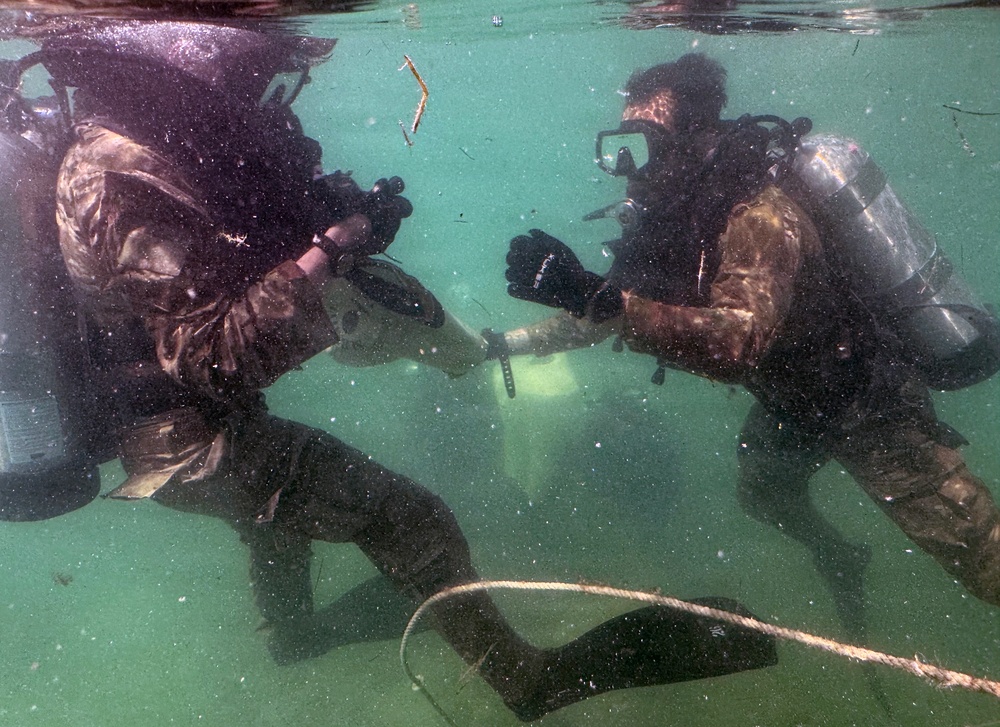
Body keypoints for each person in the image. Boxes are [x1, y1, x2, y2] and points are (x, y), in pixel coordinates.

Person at [23, 21, 777, 722]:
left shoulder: (150, 148)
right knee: (411, 520)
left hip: (198, 418)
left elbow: (222, 277)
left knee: (275, 507)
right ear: (198, 66)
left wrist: (331, 227)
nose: (273, 104)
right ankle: (529, 681)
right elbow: (216, 359)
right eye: (261, 81)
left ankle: (294, 634)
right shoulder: (122, 175)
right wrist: (329, 250)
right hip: (176, 439)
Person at [498, 53, 1000, 617]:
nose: (627, 167)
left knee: (984, 560)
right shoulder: (673, 218)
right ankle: (838, 554)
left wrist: (603, 300)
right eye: (619, 146)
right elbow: (608, 313)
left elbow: (735, 341)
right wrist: (506, 344)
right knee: (763, 494)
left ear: (697, 139)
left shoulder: (761, 217)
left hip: (865, 403)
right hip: (790, 399)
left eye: (644, 144)